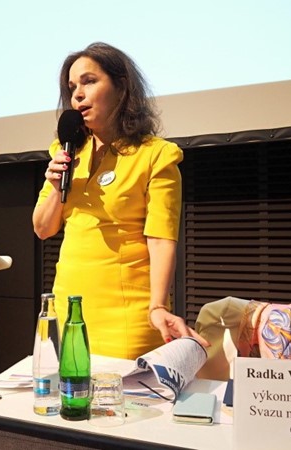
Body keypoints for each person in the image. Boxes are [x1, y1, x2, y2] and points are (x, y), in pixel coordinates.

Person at [33, 42, 208, 360]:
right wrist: (57, 187)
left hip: (126, 315)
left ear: (121, 86)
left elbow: (161, 239)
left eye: (89, 81)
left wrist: (158, 306)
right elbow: (43, 229)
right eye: (72, 88)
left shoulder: (155, 155)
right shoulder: (66, 151)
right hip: (69, 307)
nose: (78, 95)